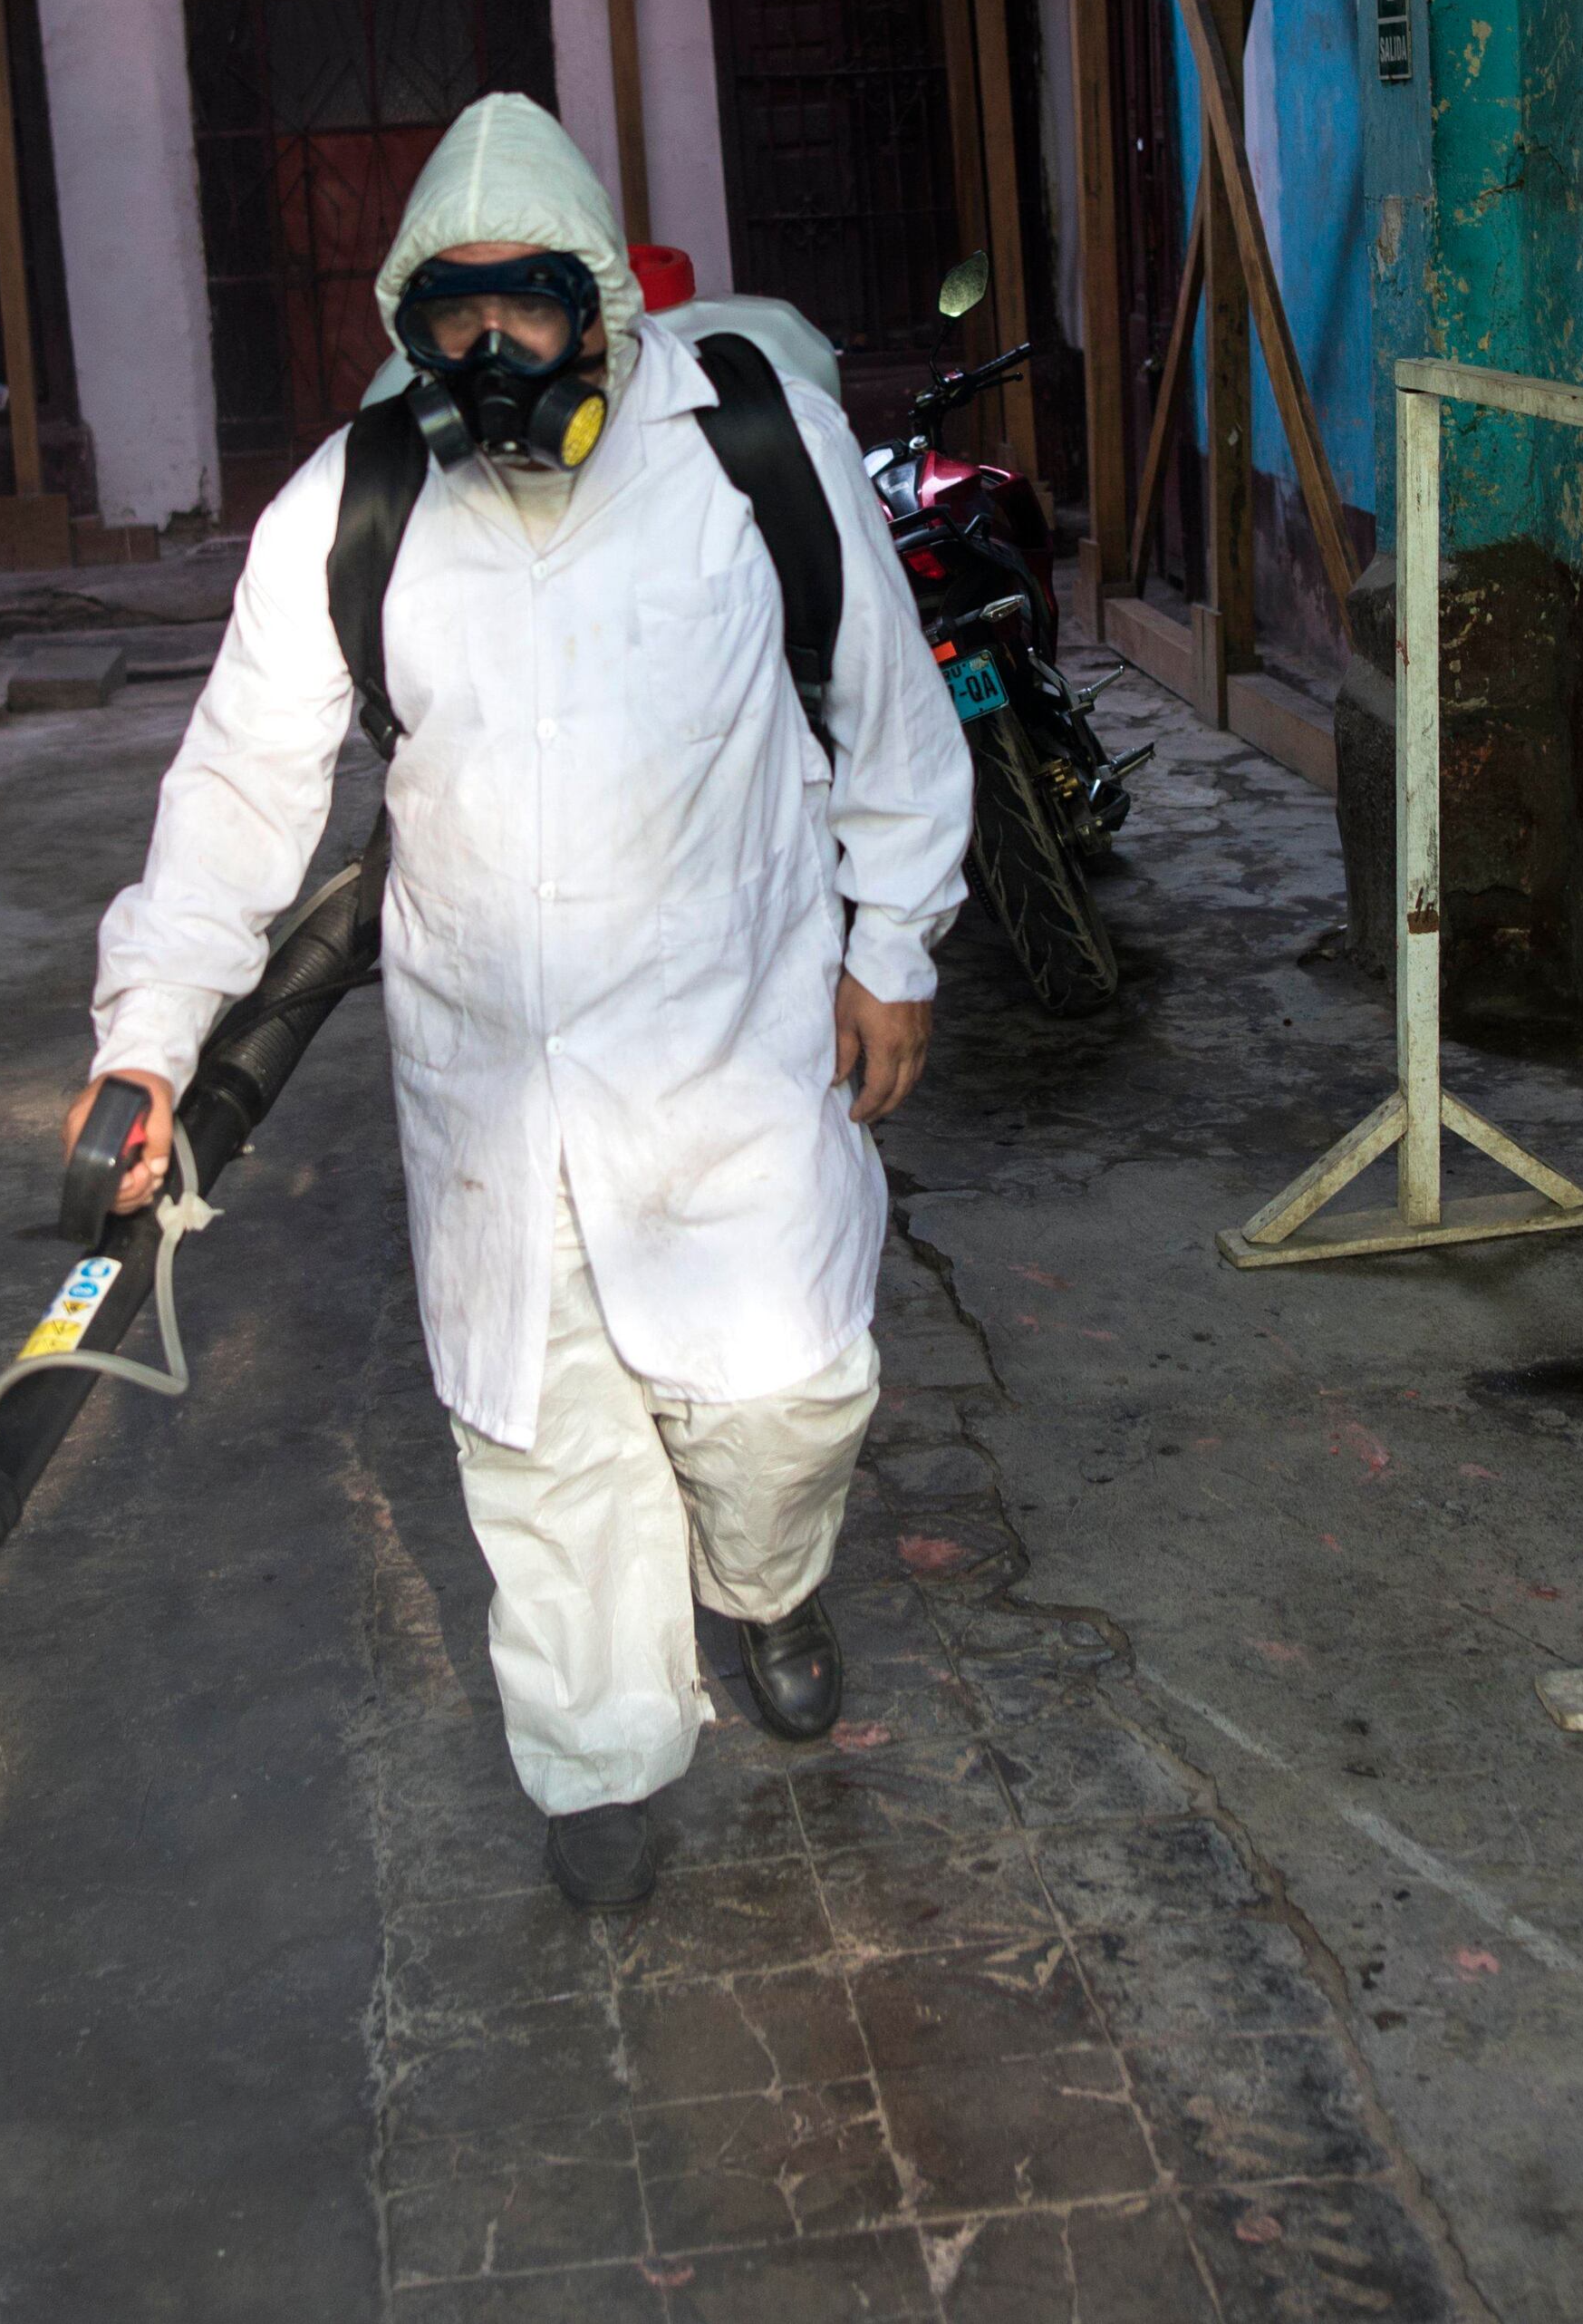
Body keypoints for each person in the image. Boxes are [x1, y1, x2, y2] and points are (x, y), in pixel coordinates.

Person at [72, 94, 975, 1912]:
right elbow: (241, 794)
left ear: (601, 311)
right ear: (412, 323)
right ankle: (597, 1764)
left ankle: (766, 1578)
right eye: (452, 315)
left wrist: (895, 943)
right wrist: (149, 1039)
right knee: (539, 1438)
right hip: (488, 1076)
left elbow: (883, 706)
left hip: (725, 1034)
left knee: (788, 1390)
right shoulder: (358, 503)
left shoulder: (745, 450)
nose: (492, 351)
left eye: (528, 307)